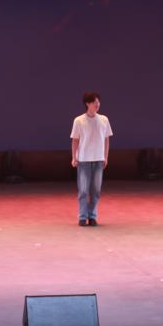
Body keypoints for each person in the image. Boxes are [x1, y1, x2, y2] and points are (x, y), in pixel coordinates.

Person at [70, 92, 113, 227]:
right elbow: (75, 140)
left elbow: (106, 140)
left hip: (99, 159)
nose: (97, 104)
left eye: (98, 102)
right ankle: (82, 216)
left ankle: (92, 216)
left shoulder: (104, 120)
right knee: (83, 190)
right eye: (94, 102)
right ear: (87, 103)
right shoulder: (79, 120)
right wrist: (74, 157)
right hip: (84, 160)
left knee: (96, 190)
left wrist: (105, 156)